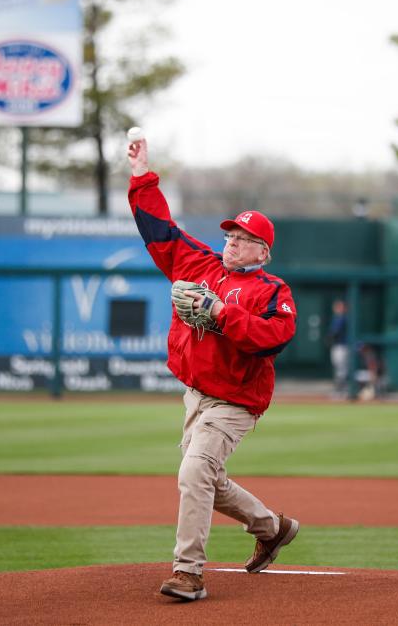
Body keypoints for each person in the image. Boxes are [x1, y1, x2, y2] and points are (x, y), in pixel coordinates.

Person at [127, 133, 299, 602]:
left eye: (245, 240)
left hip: (237, 400)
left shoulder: (273, 292)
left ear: (264, 252)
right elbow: (160, 232)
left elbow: (274, 338)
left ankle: (188, 573)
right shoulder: (201, 266)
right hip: (197, 393)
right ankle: (273, 528)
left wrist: (223, 313)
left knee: (194, 473)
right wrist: (143, 177)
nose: (233, 244)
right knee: (206, 478)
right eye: (230, 236)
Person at [327, 299, 349, 396]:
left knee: (342, 368)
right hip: (338, 346)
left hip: (342, 346)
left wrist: (331, 337)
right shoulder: (337, 318)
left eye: (339, 307)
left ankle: (342, 389)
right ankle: (341, 389)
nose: (337, 309)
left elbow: (335, 333)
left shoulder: (344, 318)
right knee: (339, 368)